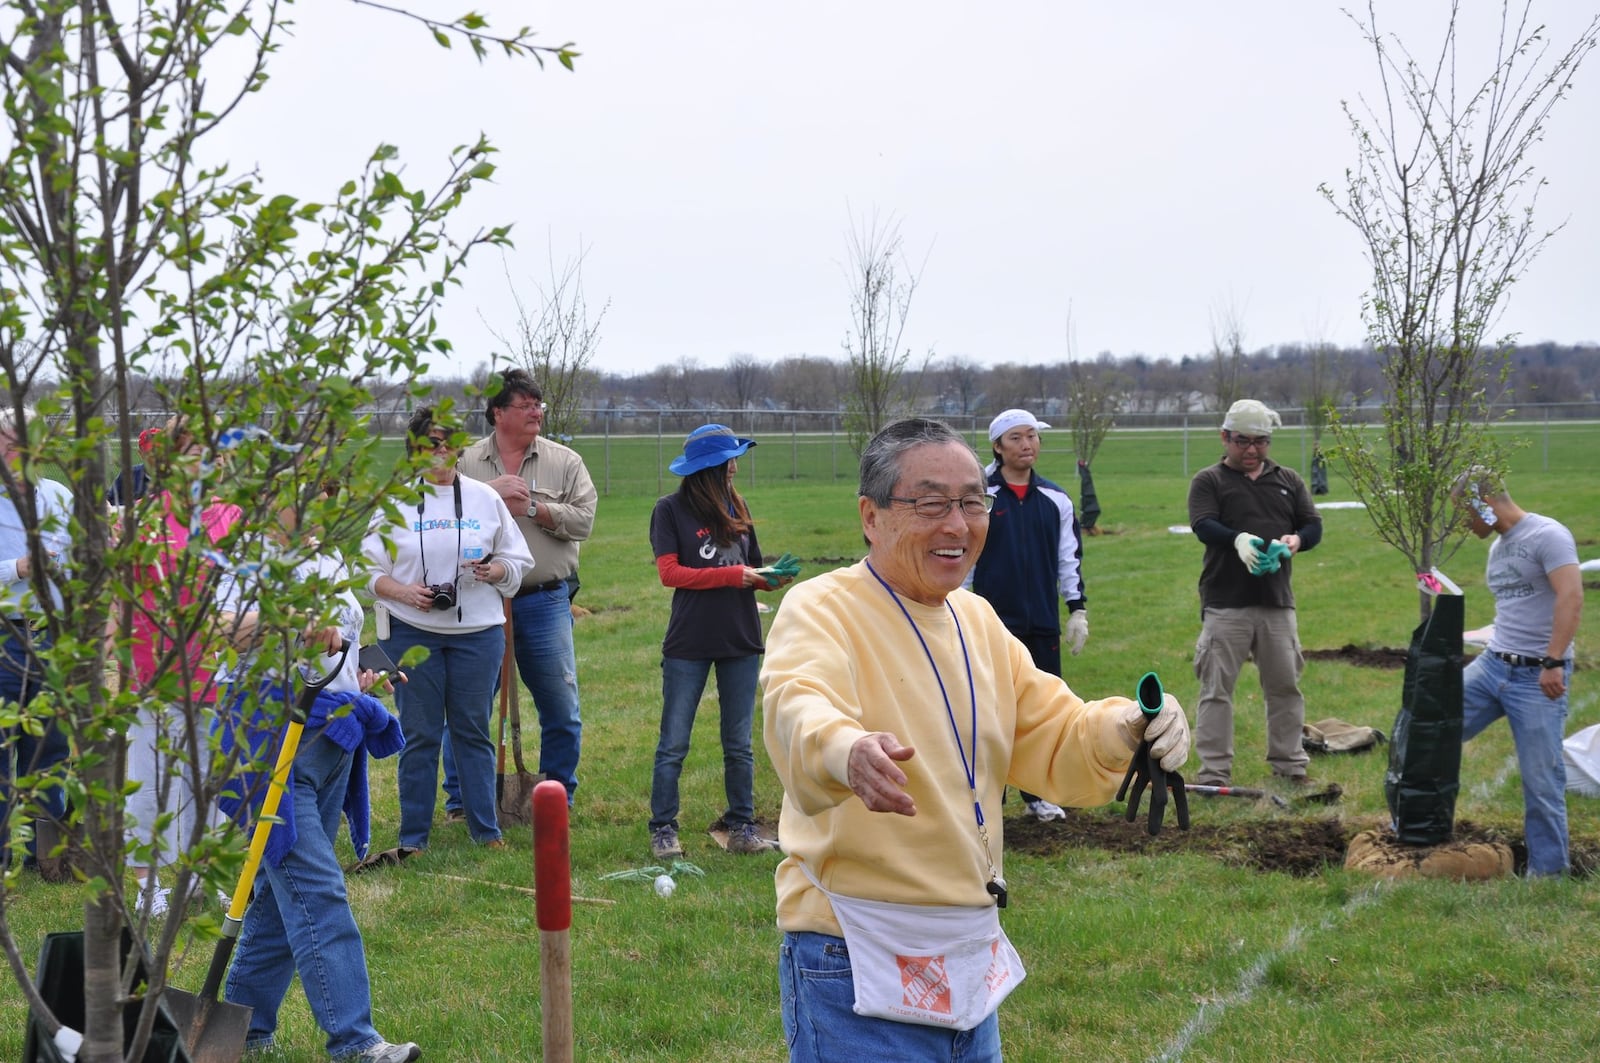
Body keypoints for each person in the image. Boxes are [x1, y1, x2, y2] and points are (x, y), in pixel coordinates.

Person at [761, 418, 1190, 1061]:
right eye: (931, 504)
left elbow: (1054, 734)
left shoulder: (976, 619)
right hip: (854, 956)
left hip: (966, 956)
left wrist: (1128, 725)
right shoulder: (824, 607)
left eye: (971, 503)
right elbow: (798, 704)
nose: (957, 525)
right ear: (870, 516)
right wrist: (845, 751)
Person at [215, 479, 419, 1062]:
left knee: (287, 901)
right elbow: (216, 628)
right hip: (262, 744)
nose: (319, 511)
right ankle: (355, 1043)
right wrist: (293, 627)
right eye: (303, 498)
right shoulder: (243, 555)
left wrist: (357, 676)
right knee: (319, 893)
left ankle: (243, 1032)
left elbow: (337, 645)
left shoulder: (323, 552)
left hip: (327, 738)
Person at [361, 408, 532, 855]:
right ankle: (413, 838)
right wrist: (401, 592)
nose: (440, 450)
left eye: (448, 441)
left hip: (478, 632)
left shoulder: (484, 498)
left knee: (473, 730)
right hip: (411, 631)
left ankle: (486, 831)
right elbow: (366, 570)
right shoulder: (393, 501)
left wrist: (493, 569)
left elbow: (518, 560)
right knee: (420, 733)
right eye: (430, 442)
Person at [648, 425, 790, 860]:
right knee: (674, 742)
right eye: (728, 460)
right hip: (689, 641)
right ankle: (663, 827)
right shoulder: (670, 510)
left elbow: (751, 569)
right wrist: (734, 576)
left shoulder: (736, 505)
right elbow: (670, 573)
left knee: (739, 743)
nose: (734, 467)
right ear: (707, 467)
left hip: (740, 637)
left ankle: (742, 826)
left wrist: (771, 579)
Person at [456, 368, 597, 806]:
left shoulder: (564, 461)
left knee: (560, 706)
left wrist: (534, 507)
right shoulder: (465, 464)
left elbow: (584, 521)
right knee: (470, 709)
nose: (537, 411)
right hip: (480, 600)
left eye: (539, 405)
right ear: (498, 413)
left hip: (543, 601)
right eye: (526, 405)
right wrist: (489, 494)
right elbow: (442, 519)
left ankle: (557, 796)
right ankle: (464, 801)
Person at [120, 417, 242, 916]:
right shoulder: (140, 520)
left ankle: (200, 873)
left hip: (216, 672)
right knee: (148, 780)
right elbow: (121, 600)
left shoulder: (231, 517)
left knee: (208, 781)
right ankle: (148, 885)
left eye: (208, 455)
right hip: (154, 671)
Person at [1454, 466, 1583, 877]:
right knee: (1432, 728)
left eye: (1464, 512)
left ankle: (1548, 873)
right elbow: (1514, 608)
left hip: (1536, 677)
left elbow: (1572, 597)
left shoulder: (1548, 535)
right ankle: (1416, 827)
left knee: (1541, 780)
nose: (1462, 523)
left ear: (1484, 502)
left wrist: (1553, 660)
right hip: (1493, 666)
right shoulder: (1499, 546)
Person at [1186, 399, 1321, 787]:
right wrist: (1237, 539)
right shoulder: (1209, 481)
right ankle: (1214, 773)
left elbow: (1313, 525)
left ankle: (1290, 766)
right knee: (1216, 691)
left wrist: (1296, 541)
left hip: (1277, 603)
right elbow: (1203, 525)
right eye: (1242, 441)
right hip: (1225, 603)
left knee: (1285, 689)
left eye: (1260, 442)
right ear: (1224, 437)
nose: (1251, 450)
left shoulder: (1288, 480)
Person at [965, 408, 1089, 823]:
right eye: (1016, 438)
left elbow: (1068, 559)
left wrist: (1077, 610)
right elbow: (966, 560)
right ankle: (987, 796)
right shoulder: (979, 496)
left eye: (1032, 436)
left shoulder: (1056, 499)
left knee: (1040, 712)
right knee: (990, 711)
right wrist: (956, 611)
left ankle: (1037, 794)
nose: (1027, 445)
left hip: (1041, 624)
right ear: (998, 446)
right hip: (992, 625)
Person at [0, 406, 72, 879]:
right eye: (9, 443)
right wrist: (19, 569)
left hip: (52, 639)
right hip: (4, 635)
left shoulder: (60, 498)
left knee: (50, 748)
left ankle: (48, 859)